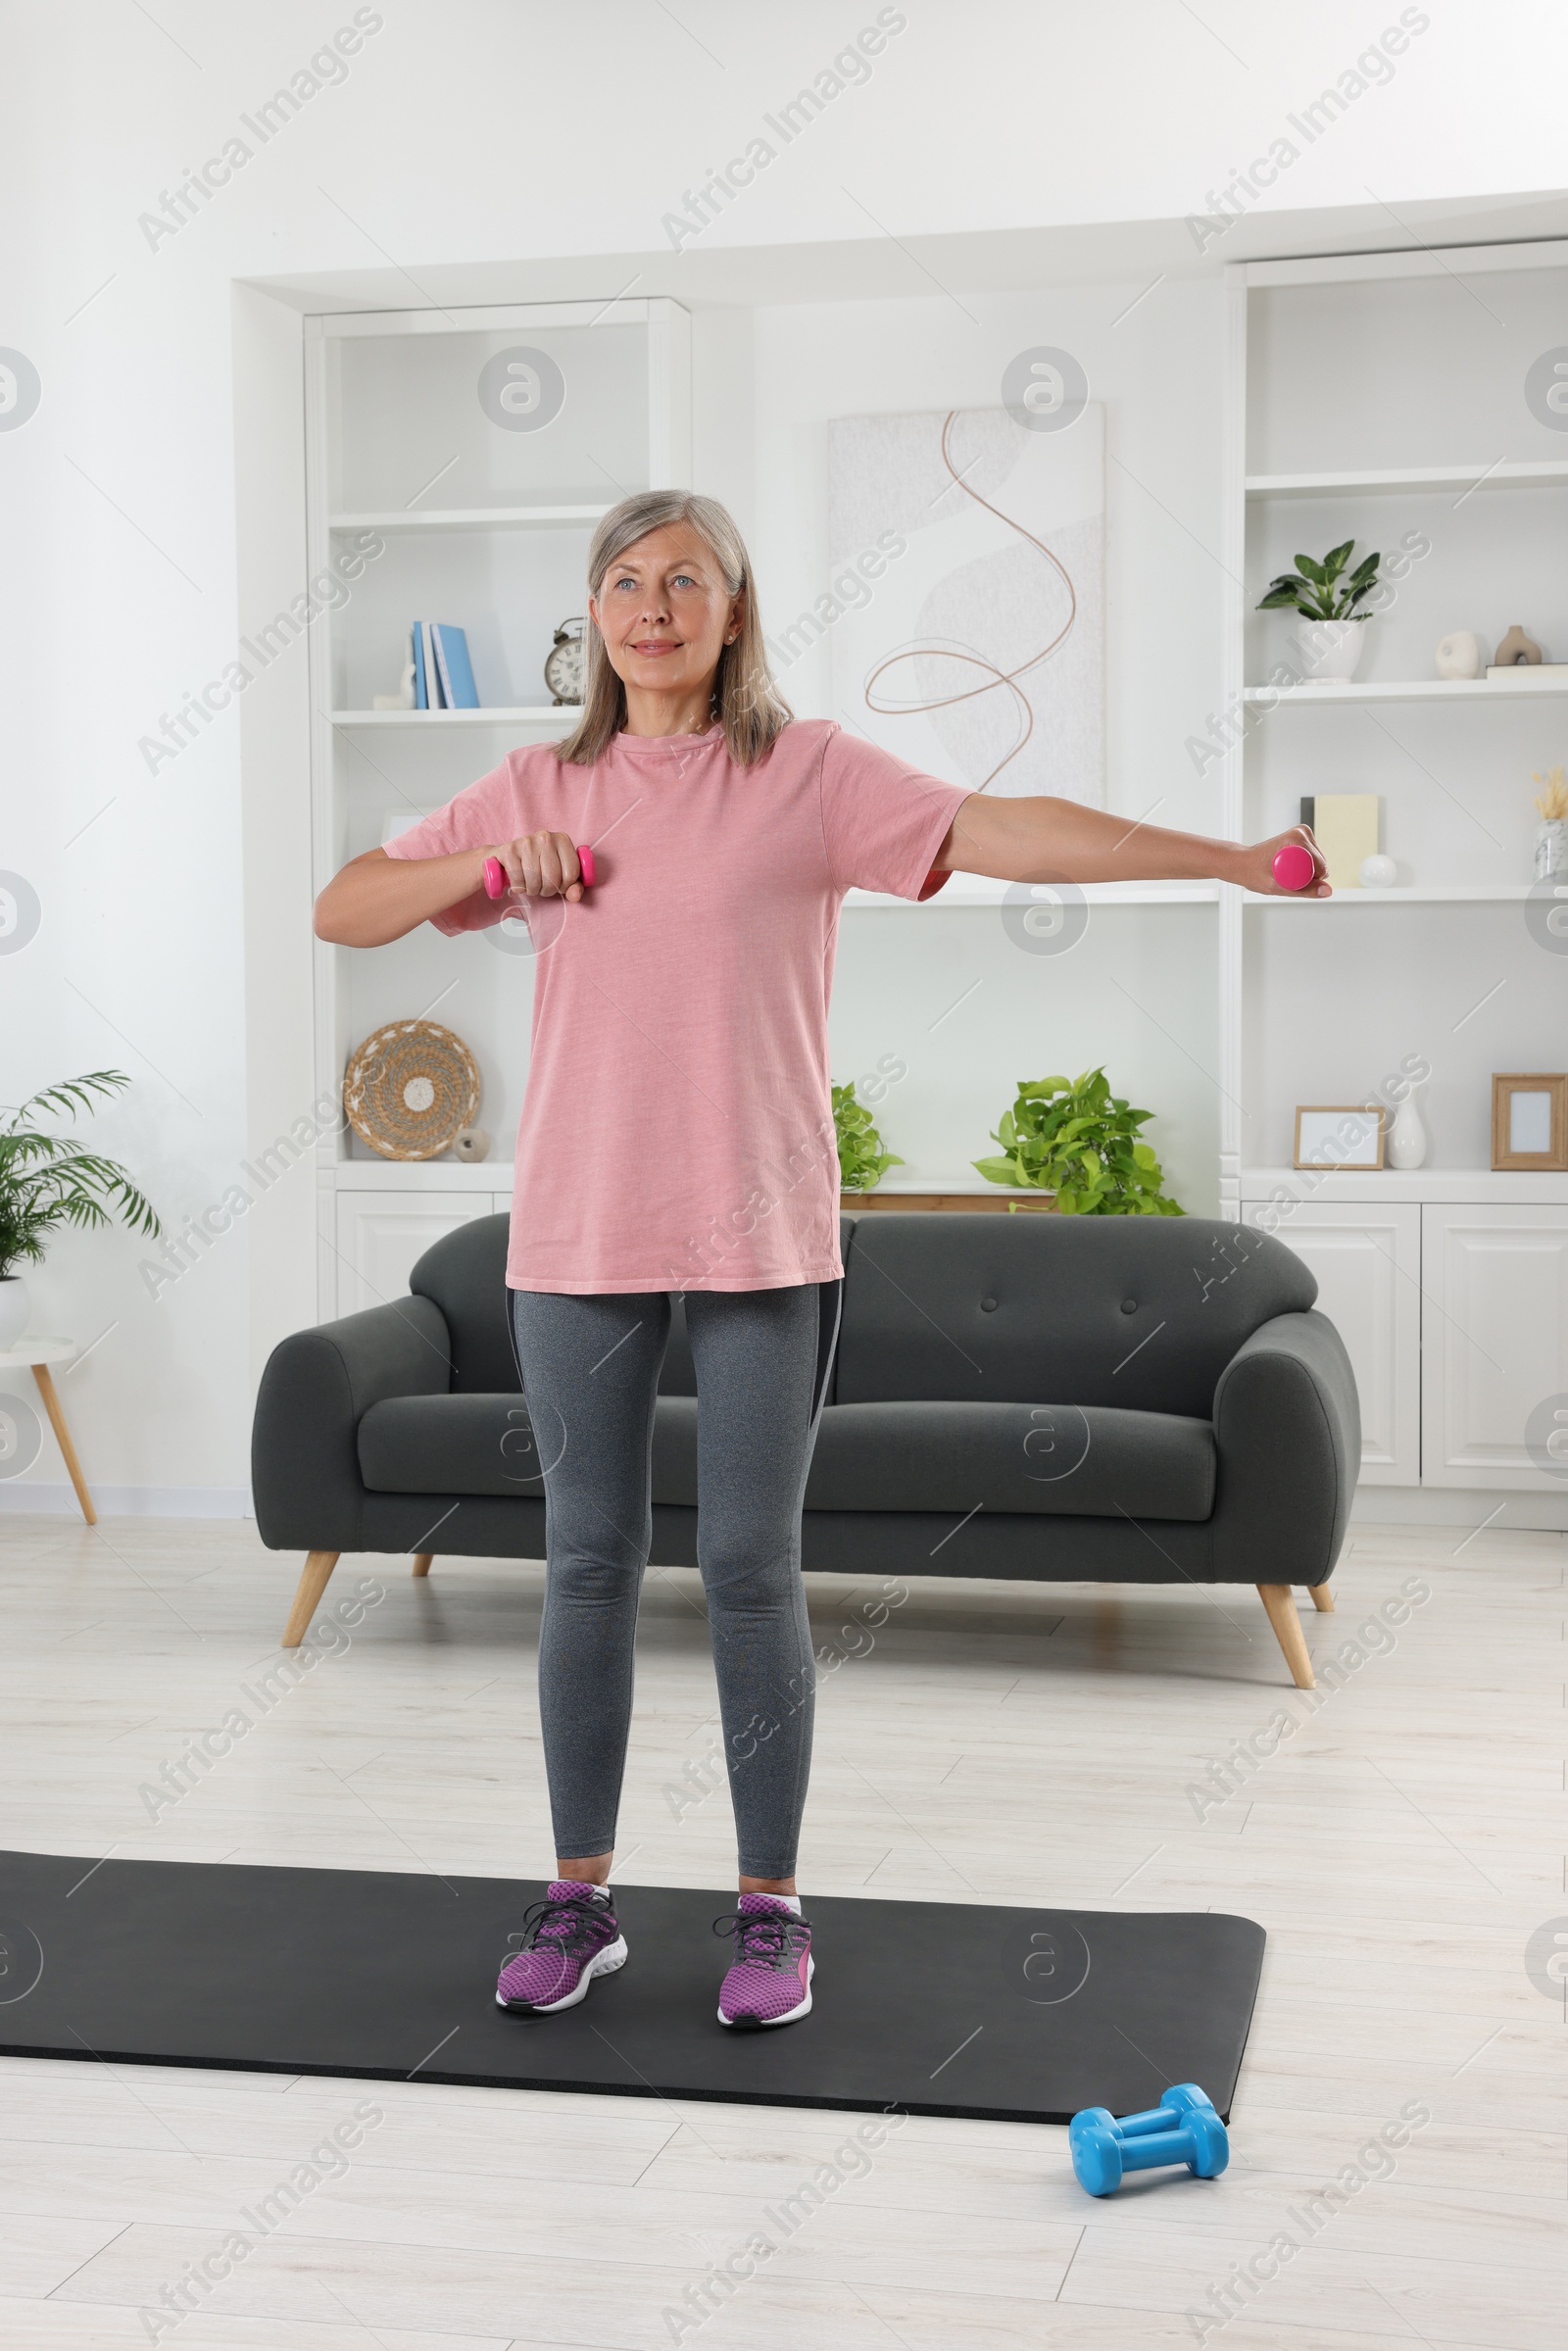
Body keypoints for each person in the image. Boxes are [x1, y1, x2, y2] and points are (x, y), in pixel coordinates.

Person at [314, 489, 1326, 2032]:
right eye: (626, 581)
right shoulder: (535, 786)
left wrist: (1231, 858)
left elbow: (1011, 830)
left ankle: (770, 1912)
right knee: (584, 1564)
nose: (653, 606)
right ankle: (577, 1900)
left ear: (734, 614)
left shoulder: (805, 772)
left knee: (744, 1566)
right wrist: (485, 874)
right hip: (577, 1234)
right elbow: (345, 909)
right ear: (592, 615)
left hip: (763, 1234)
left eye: (688, 581)